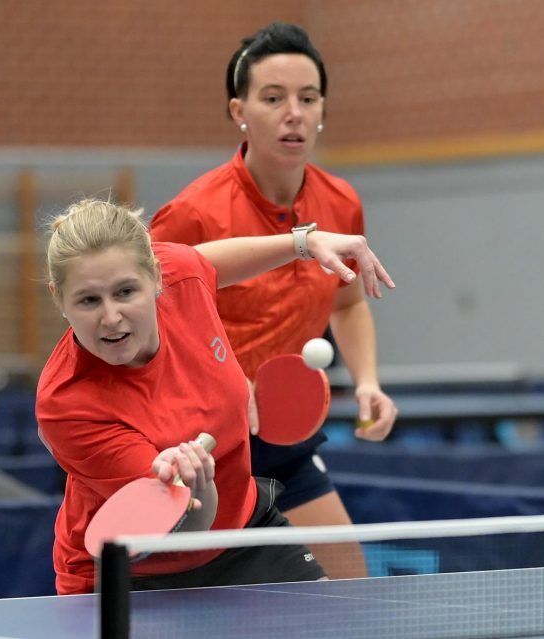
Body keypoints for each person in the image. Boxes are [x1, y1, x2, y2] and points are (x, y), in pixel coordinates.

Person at [35, 198, 394, 595]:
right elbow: (188, 526)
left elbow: (206, 263)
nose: (111, 316)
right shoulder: (67, 402)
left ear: (157, 277)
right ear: (58, 298)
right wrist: (196, 484)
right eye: (89, 300)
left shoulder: (181, 277)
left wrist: (304, 244)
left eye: (125, 292)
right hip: (134, 570)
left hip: (242, 529)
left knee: (336, 624)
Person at [150, 22, 398, 579]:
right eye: (273, 98)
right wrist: (228, 385)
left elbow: (349, 303)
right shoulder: (192, 213)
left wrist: (368, 382)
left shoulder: (341, 201)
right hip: (199, 450)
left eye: (308, 98)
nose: (295, 113)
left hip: (283, 440)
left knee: (349, 583)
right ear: (239, 110)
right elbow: (146, 334)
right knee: (198, 605)